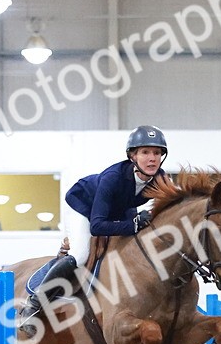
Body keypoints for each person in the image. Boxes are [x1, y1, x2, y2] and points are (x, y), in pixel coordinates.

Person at [18, 125, 170, 324]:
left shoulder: (160, 178)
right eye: (145, 152)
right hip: (84, 205)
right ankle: (35, 303)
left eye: (157, 153)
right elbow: (97, 226)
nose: (152, 158)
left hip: (118, 208)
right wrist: (132, 225)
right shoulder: (113, 178)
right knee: (81, 255)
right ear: (132, 156)